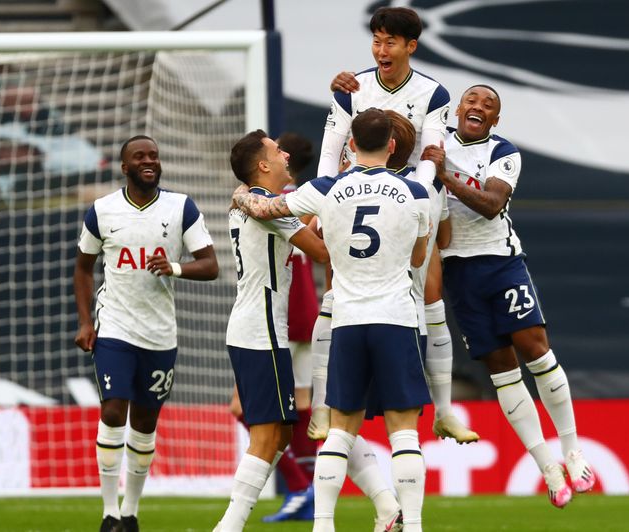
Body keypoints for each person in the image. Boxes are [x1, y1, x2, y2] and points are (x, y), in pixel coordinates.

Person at [232, 108, 431, 532]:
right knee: (404, 431)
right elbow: (418, 257)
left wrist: (242, 196)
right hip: (396, 317)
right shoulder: (416, 192)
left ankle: (324, 525)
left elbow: (269, 208)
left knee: (337, 429)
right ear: (393, 146)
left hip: (346, 319)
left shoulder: (326, 188)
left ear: (351, 145)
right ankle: (411, 525)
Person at [424, 85, 597, 509]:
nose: (478, 107)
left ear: (495, 120)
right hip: (459, 271)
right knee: (502, 370)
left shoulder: (504, 152)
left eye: (488, 106)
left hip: (501, 262)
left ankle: (572, 450)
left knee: (535, 351)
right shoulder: (434, 141)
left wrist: (444, 175)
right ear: (458, 108)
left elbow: (491, 203)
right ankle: (547, 468)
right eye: (472, 101)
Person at [316, 5, 477, 444]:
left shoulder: (433, 94)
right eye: (376, 40)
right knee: (336, 288)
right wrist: (328, 194)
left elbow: (431, 154)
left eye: (390, 42)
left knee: (428, 294)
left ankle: (444, 411)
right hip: (355, 194)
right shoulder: (352, 88)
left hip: (410, 197)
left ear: (411, 46)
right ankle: (320, 405)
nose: (381, 49)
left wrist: (417, 199)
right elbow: (331, 151)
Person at [74, 135, 219, 532]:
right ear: (125, 167)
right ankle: (108, 513)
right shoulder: (102, 211)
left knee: (144, 424)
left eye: (153, 155)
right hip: (115, 326)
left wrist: (174, 268)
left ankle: (131, 512)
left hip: (159, 334)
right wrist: (87, 322)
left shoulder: (181, 207)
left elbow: (210, 265)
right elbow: (83, 268)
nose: (149, 161)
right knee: (112, 411)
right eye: (139, 157)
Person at [213, 130, 330, 531]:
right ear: (263, 165)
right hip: (261, 332)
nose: (284, 154)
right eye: (275, 150)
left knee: (280, 434)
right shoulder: (264, 206)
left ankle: (241, 517)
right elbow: (322, 253)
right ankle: (229, 526)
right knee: (266, 436)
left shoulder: (254, 202)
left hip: (258, 329)